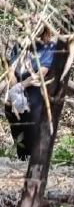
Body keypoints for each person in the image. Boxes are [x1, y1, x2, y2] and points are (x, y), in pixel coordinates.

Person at [4, 25, 56, 160]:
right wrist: (15, 89)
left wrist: (21, 86)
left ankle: (33, 158)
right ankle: (21, 156)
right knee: (11, 111)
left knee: (31, 113)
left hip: (35, 88)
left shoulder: (49, 47)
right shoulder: (19, 46)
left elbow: (41, 72)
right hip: (17, 87)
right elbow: (11, 70)